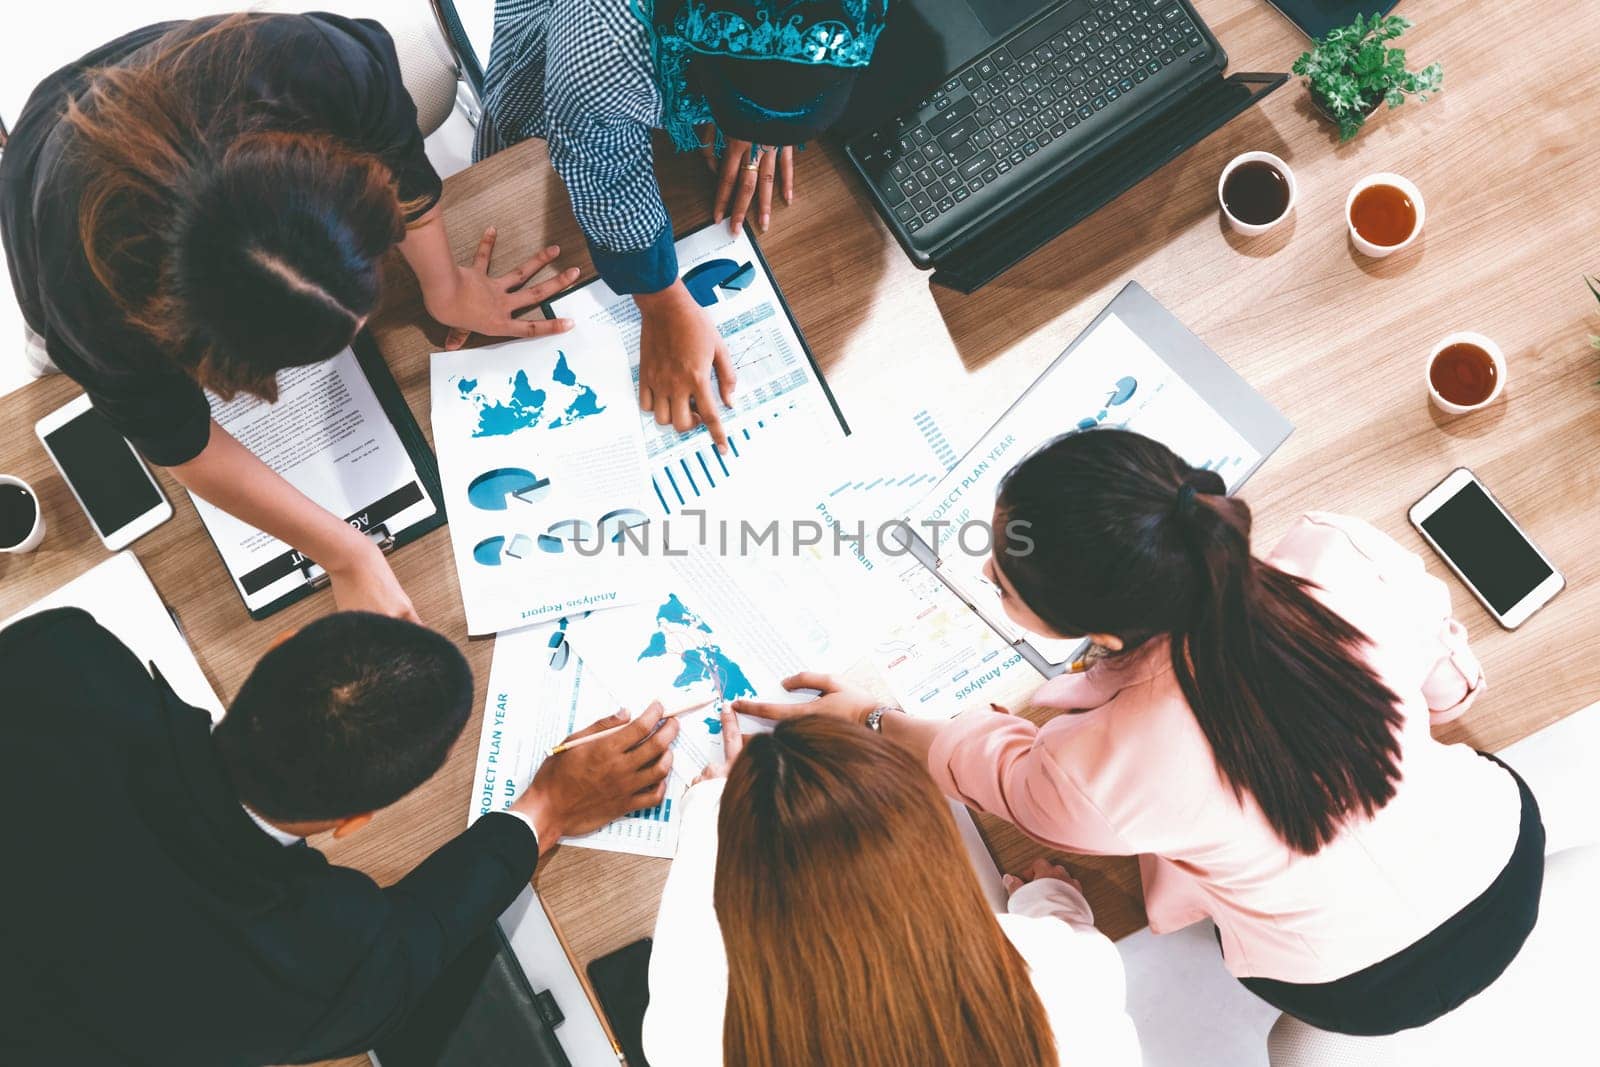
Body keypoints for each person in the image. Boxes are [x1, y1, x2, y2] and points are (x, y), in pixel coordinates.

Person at [739, 428, 1545, 1037]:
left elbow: (979, 763)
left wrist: (871, 718)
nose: (986, 573)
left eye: (1005, 581)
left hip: (1353, 988)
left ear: (1111, 638)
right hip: (1504, 855)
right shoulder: (1337, 551)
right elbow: (1442, 678)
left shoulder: (1092, 771)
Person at [0, 13, 579, 621]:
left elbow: (401, 166)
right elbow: (180, 442)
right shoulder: (88, 303)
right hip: (53, 162)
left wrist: (444, 283)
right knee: (51, 365)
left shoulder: (313, 64)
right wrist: (346, 552)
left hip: (188, 77)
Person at [0, 607, 678, 1066]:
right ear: (353, 822)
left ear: (281, 642)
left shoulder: (63, 656)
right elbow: (419, 940)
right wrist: (549, 807)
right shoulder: (315, 961)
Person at [475, 0, 888, 451]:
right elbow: (599, 166)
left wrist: (773, 110)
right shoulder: (604, 36)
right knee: (504, 186)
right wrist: (659, 299)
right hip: (558, 89)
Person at [641, 709, 1141, 1066]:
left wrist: (712, 807)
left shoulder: (694, 1038)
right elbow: (1072, 937)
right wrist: (1050, 898)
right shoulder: (1059, 968)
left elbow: (688, 934)